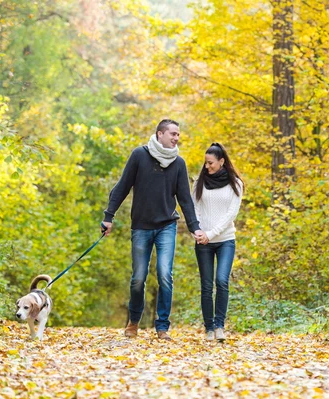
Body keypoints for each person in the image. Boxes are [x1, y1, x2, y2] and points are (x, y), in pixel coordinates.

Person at [101, 119, 206, 341]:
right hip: (141, 226)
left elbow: (185, 199)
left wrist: (194, 227)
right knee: (138, 278)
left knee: (165, 274)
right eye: (173, 134)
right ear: (160, 134)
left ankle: (162, 326)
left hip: (167, 226)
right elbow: (122, 187)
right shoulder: (139, 155)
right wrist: (108, 217)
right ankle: (134, 321)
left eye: (178, 135)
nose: (177, 138)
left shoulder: (179, 163)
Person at [193, 143, 243, 342]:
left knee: (221, 280)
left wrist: (211, 234)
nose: (207, 167)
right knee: (206, 285)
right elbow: (194, 209)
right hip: (202, 241)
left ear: (222, 161)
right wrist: (197, 231)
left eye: (211, 163)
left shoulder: (235, 184)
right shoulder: (199, 182)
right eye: (205, 163)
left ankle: (220, 326)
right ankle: (209, 328)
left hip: (225, 240)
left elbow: (231, 213)